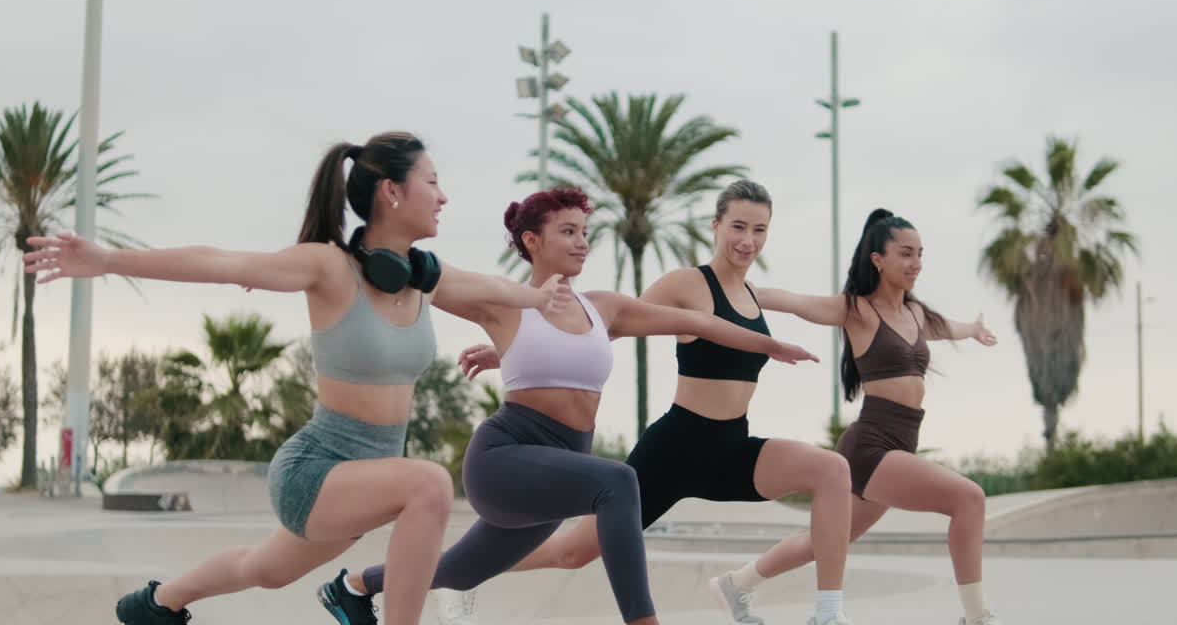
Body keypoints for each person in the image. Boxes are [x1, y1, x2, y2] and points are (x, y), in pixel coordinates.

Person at [23, 132, 571, 625]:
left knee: (265, 568)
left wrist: (542, 296)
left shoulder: (424, 277)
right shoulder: (331, 268)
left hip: (368, 480)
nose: (444, 196)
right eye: (432, 182)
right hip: (318, 470)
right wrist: (108, 259)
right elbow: (219, 262)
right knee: (429, 482)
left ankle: (157, 604)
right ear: (392, 192)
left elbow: (497, 289)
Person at [323, 186, 819, 625]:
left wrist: (768, 346)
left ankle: (353, 588)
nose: (583, 241)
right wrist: (355, 257)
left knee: (461, 567)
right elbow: (423, 272)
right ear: (533, 242)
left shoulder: (603, 308)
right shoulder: (504, 302)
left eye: (585, 231)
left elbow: (704, 323)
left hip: (559, 466)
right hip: (505, 458)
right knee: (619, 481)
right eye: (568, 231)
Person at [451, 180, 857, 625]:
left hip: (731, 449)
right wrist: (506, 348)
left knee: (832, 470)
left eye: (759, 230)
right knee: (573, 553)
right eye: (737, 226)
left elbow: (824, 306)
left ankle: (826, 614)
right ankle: (459, 577)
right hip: (677, 448)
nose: (747, 240)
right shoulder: (687, 283)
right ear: (716, 226)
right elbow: (609, 323)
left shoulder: (758, 296)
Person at [718, 208, 1002, 625]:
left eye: (920, 253)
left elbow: (947, 329)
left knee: (827, 541)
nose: (916, 263)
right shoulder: (858, 311)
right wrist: (732, 291)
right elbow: (797, 303)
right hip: (872, 446)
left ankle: (737, 583)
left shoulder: (917, 314)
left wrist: (973, 329)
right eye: (906, 253)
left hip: (901, 442)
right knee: (969, 498)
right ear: (878, 259)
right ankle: (977, 617)